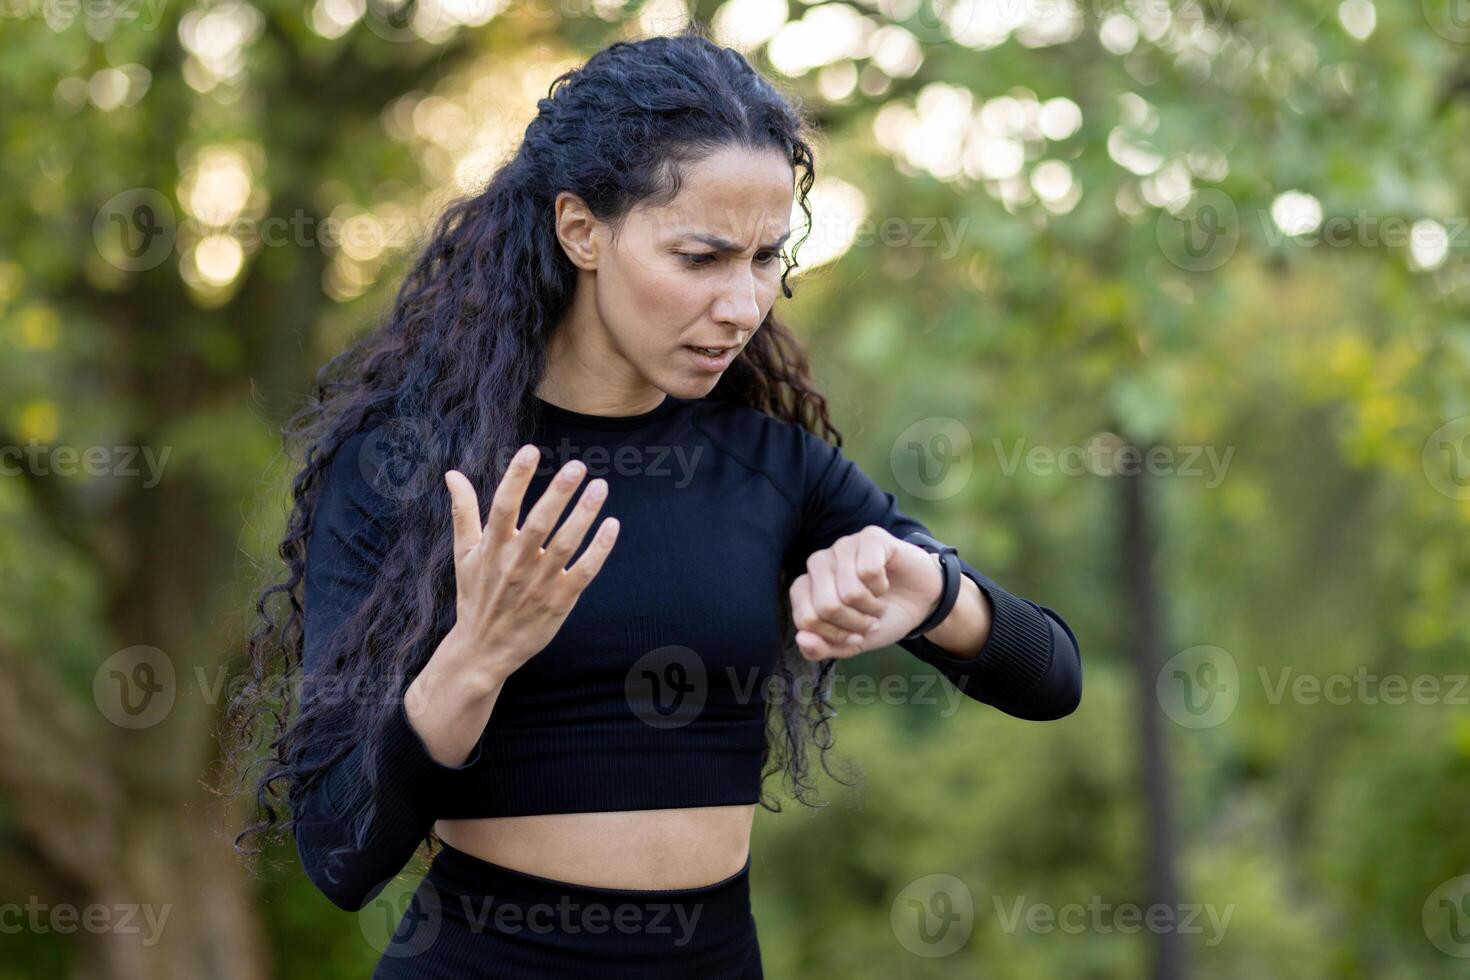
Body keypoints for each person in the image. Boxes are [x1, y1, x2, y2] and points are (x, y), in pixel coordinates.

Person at [228, 26, 1081, 978]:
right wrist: (477, 654)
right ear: (581, 229)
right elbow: (338, 852)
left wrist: (935, 595)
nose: (744, 305)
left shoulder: (771, 467)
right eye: (701, 258)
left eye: (765, 259)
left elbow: (1052, 679)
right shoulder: (412, 469)